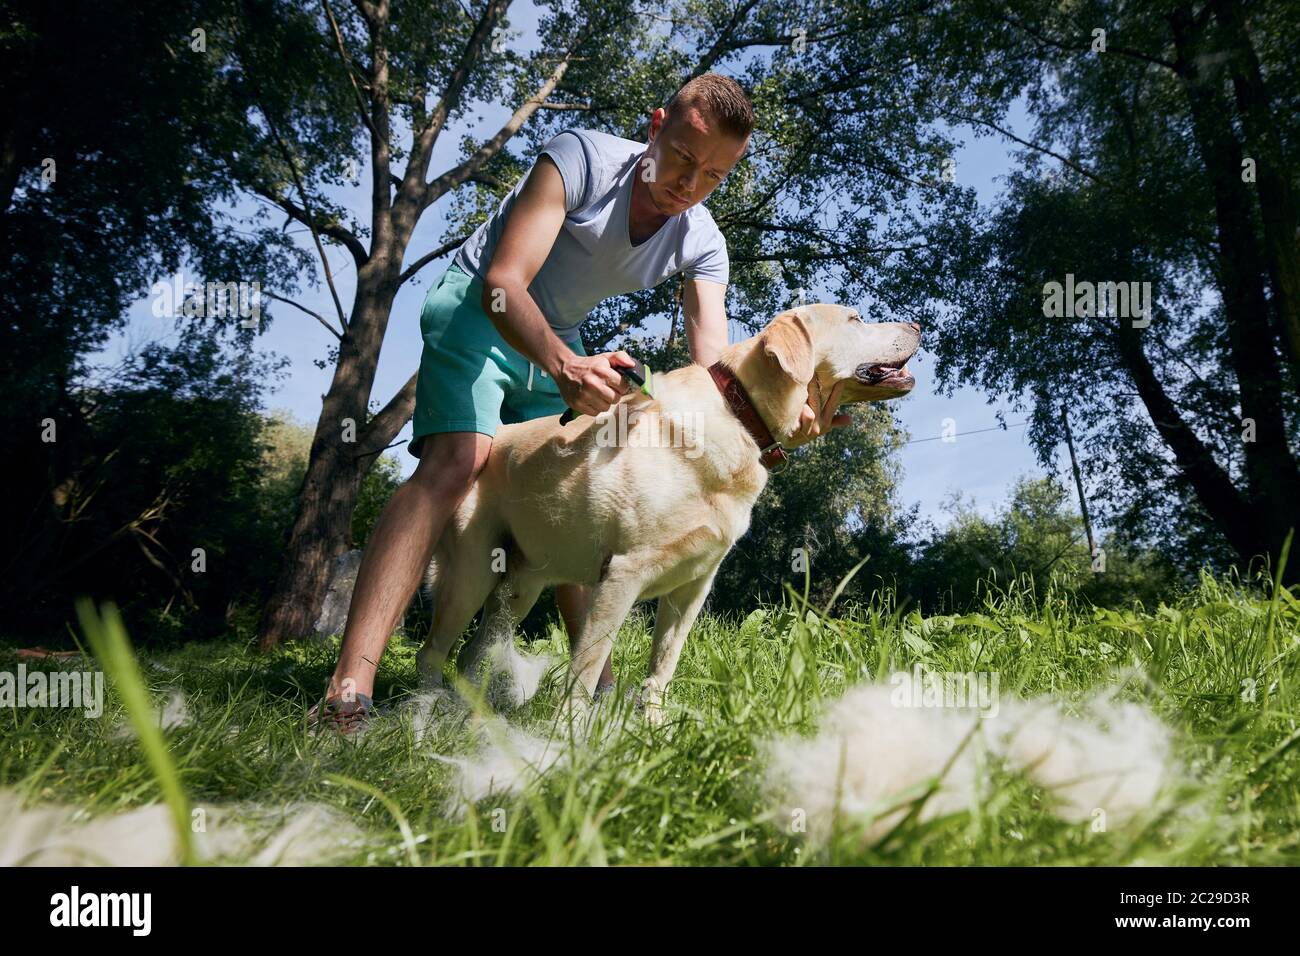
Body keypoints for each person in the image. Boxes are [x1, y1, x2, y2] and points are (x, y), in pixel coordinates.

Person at [314, 73, 840, 733]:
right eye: (682, 156)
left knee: (585, 483)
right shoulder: (581, 159)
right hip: (482, 302)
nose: (689, 182)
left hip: (561, 334)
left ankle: (599, 697)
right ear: (655, 126)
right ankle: (348, 691)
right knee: (458, 462)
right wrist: (563, 366)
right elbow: (504, 283)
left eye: (712, 175)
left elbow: (713, 376)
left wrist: (781, 419)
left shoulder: (703, 242)